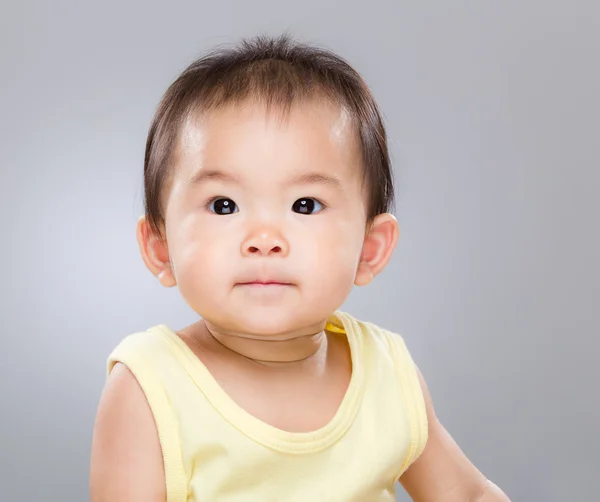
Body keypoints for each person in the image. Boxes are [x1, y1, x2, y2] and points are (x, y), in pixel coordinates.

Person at [90, 34, 510, 501]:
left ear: (370, 249)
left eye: (305, 205)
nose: (265, 240)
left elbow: (467, 495)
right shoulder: (150, 386)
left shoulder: (387, 373)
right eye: (224, 205)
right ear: (160, 246)